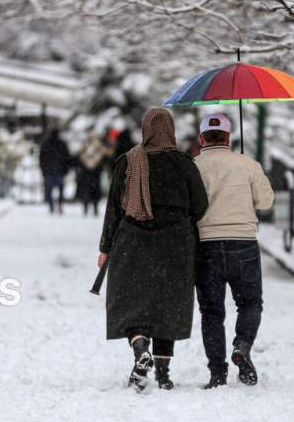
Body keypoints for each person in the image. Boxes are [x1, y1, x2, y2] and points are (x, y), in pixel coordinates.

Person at [97, 108, 208, 392]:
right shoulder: (184, 163)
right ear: (169, 129)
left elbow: (114, 209)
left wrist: (105, 248)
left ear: (146, 129)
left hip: (133, 242)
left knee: (132, 301)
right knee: (168, 304)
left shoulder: (128, 162)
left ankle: (140, 347)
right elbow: (200, 206)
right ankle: (163, 371)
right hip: (176, 244)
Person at [193, 113, 274, 389]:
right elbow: (266, 200)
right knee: (250, 303)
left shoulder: (194, 167)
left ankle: (217, 373)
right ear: (228, 137)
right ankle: (242, 344)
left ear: (201, 138)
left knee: (211, 312)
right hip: (243, 243)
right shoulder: (248, 164)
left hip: (206, 246)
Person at [39, 129, 70, 214]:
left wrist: (43, 170)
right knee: (60, 190)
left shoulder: (46, 144)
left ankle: (51, 206)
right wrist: (65, 169)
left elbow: (41, 159)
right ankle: (59, 205)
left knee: (49, 190)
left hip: (50, 171)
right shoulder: (62, 144)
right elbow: (67, 158)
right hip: (59, 171)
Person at [76, 133, 107, 216]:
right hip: (96, 173)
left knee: (86, 190)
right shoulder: (99, 146)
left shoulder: (84, 145)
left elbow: (78, 158)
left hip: (86, 173)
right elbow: (104, 158)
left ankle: (86, 208)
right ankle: (95, 208)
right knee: (95, 190)